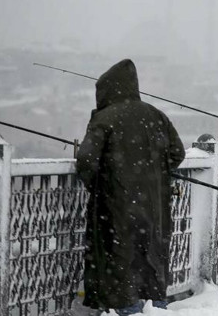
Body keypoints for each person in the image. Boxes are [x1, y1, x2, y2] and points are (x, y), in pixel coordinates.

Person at [76, 59, 185, 315]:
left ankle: (128, 309)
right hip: (153, 208)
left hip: (116, 208)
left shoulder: (105, 118)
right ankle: (156, 307)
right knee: (151, 260)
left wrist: (102, 185)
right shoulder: (156, 115)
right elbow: (177, 153)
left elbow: (86, 161)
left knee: (120, 261)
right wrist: (153, 174)